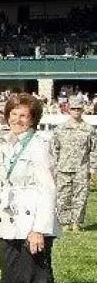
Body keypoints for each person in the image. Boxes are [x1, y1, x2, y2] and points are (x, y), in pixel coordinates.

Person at [0, 93, 59, 283]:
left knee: (33, 281)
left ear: (33, 120)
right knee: (11, 280)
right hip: (10, 222)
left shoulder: (39, 145)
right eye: (14, 114)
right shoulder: (6, 143)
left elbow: (48, 189)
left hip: (33, 224)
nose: (18, 119)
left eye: (24, 115)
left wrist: (39, 229)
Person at [51, 94, 96, 231]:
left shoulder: (89, 129)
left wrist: (93, 168)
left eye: (79, 109)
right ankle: (64, 223)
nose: (76, 111)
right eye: (73, 109)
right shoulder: (60, 129)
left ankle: (76, 223)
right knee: (63, 196)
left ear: (82, 110)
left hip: (82, 168)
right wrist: (54, 167)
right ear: (68, 110)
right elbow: (54, 149)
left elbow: (94, 150)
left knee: (80, 196)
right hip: (63, 167)